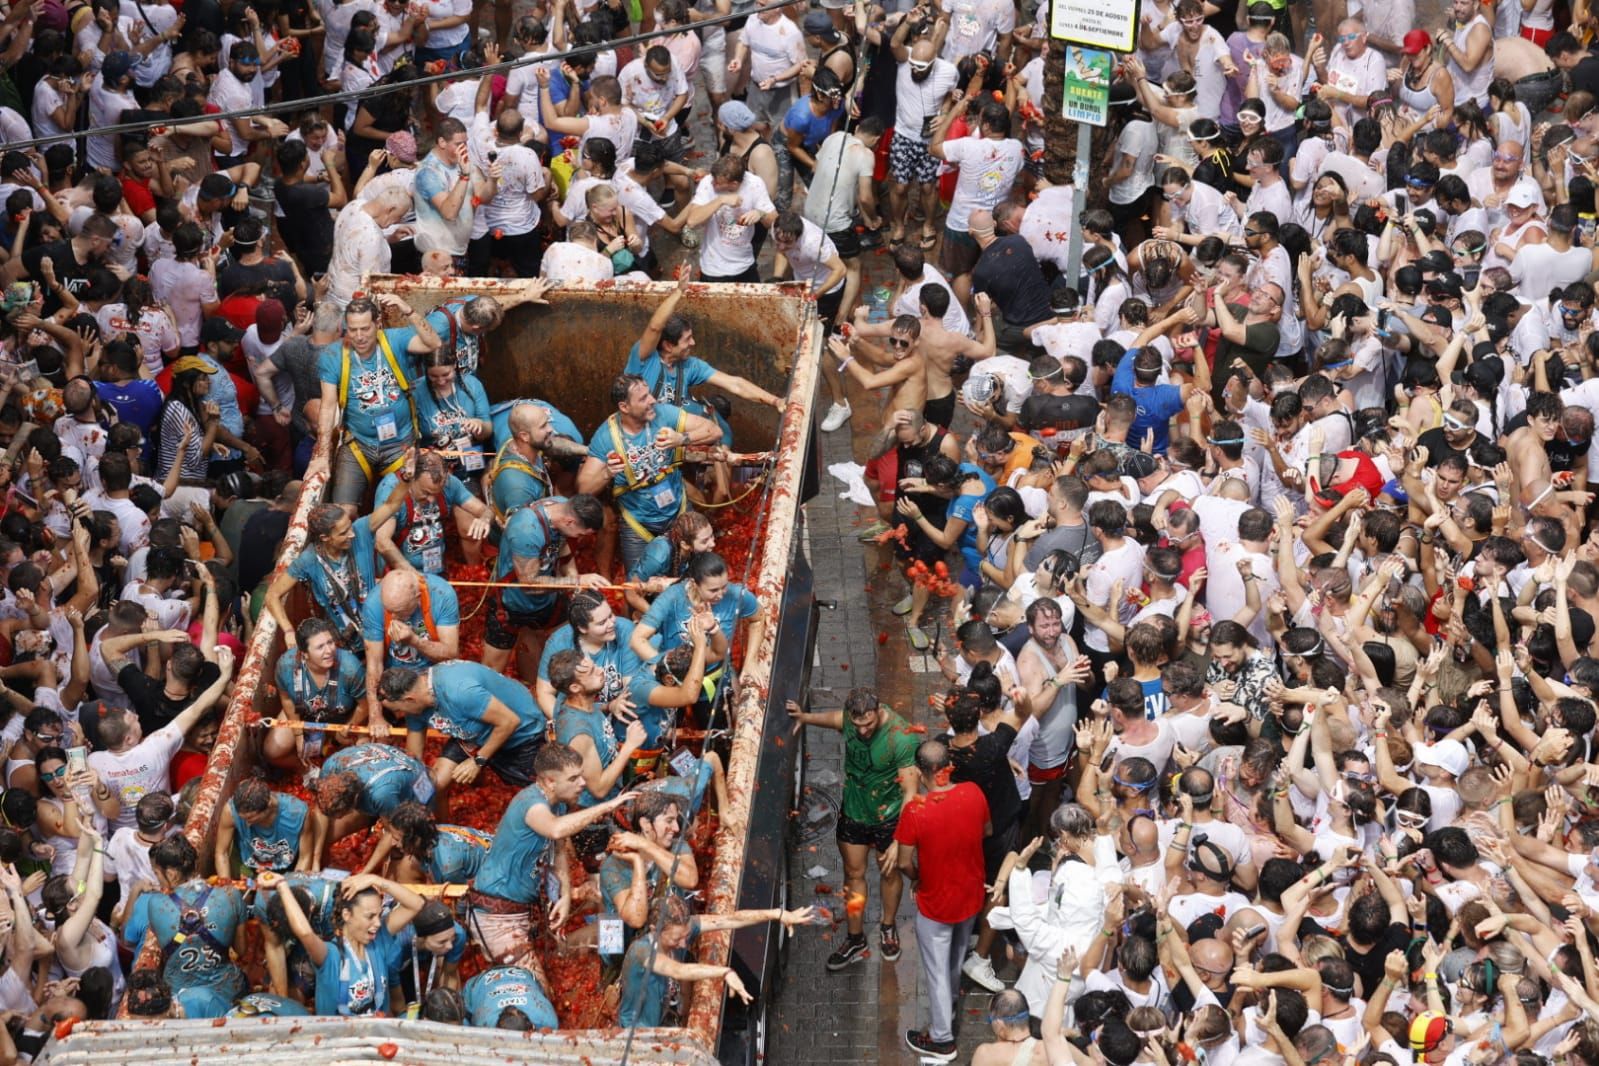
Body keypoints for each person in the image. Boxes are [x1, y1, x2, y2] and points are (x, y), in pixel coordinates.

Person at [788, 690, 919, 971]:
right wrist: (805, 716)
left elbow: (910, 791)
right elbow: (834, 719)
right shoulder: (850, 720)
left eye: (868, 724)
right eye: (857, 725)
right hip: (854, 813)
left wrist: (900, 838)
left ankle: (887, 927)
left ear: (878, 711)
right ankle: (856, 938)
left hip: (890, 819)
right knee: (854, 874)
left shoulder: (901, 736)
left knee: (889, 872)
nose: (862, 730)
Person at [897, 739, 990, 1061]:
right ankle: (948, 1009)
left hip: (936, 902)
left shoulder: (915, 810)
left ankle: (941, 1040)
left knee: (936, 970)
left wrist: (918, 877)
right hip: (970, 894)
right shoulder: (974, 793)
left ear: (921, 772)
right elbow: (986, 830)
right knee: (954, 959)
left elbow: (903, 861)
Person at [261, 870, 425, 1018]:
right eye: (370, 916)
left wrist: (376, 879)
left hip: (377, 1040)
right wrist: (282, 886)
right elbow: (305, 933)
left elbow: (416, 904)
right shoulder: (330, 956)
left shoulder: (379, 940)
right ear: (347, 915)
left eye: (379, 915)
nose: (377, 923)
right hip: (340, 1045)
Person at [121, 835, 247, 1017]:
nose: (157, 879)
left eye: (157, 873)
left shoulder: (155, 904)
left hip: (179, 996)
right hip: (227, 989)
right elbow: (241, 950)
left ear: (171, 874)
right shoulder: (231, 896)